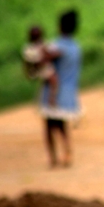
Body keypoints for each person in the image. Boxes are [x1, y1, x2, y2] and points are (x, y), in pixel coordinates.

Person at [40, 10, 82, 168]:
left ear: (60, 26)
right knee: (62, 126)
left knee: (49, 126)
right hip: (68, 92)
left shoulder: (57, 45)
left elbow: (45, 58)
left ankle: (53, 158)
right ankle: (67, 153)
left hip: (53, 92)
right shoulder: (76, 47)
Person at [22, 25, 59, 108]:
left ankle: (46, 100)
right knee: (54, 80)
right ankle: (52, 100)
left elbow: (50, 54)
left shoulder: (38, 45)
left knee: (48, 83)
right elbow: (35, 62)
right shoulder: (30, 48)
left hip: (41, 68)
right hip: (40, 70)